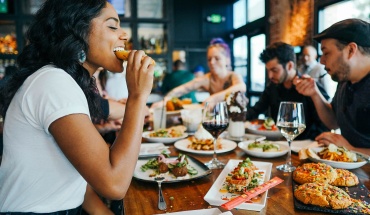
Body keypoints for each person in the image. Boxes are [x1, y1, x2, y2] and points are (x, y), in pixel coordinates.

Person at [0, 1, 154, 214]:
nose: (124, 35)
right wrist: (138, 96)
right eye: (112, 26)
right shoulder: (53, 82)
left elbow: (80, 185)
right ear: (78, 31)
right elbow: (115, 184)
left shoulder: (65, 82)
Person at [294, 18, 370, 154]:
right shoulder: (345, 81)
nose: (322, 61)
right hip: (347, 171)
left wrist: (351, 150)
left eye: (326, 53)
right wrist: (314, 93)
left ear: (351, 50)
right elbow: (334, 121)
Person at [246, 42, 330, 140]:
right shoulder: (272, 87)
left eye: (274, 70)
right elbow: (255, 110)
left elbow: (325, 124)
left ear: (290, 66)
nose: (270, 76)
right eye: (268, 71)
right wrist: (237, 115)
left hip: (305, 147)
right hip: (278, 144)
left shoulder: (310, 87)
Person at [153, 38, 246, 107]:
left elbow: (241, 87)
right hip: (218, 121)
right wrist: (165, 100)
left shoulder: (233, 76)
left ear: (227, 60)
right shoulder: (207, 79)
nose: (212, 62)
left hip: (236, 121)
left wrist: (214, 98)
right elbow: (183, 89)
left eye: (217, 58)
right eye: (209, 59)